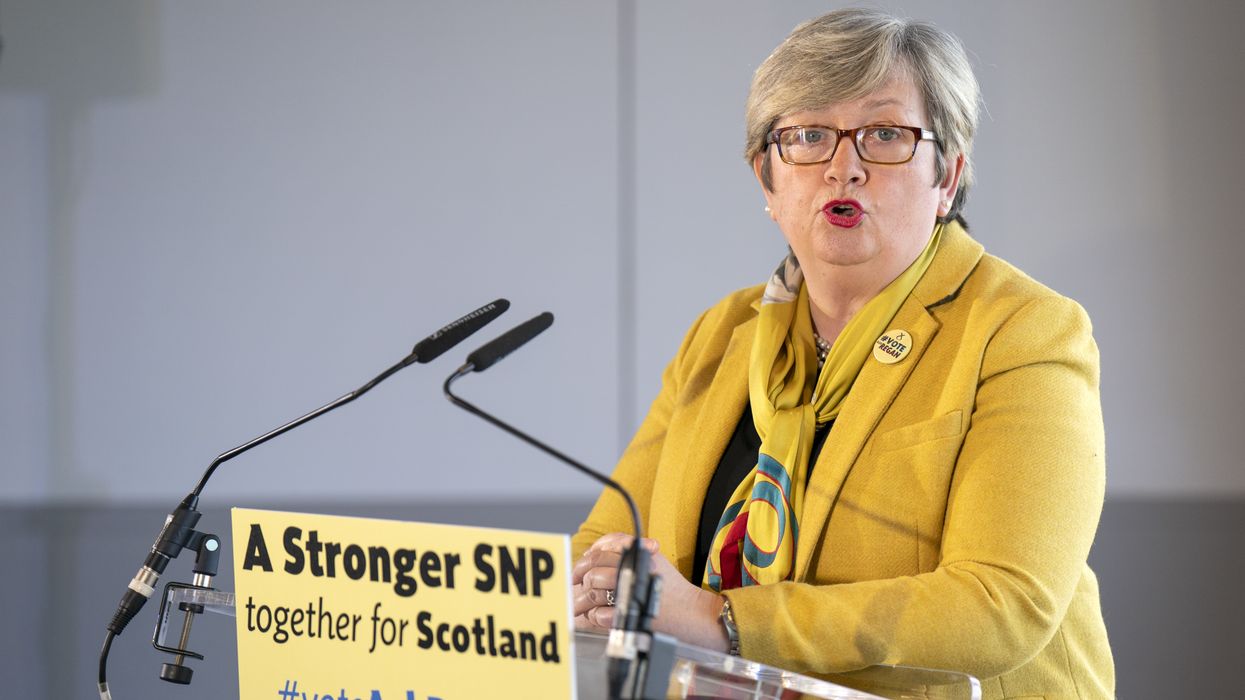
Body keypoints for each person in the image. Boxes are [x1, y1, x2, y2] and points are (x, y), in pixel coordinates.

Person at [570, 8, 1114, 699]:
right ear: (767, 177)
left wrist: (725, 620)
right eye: (807, 137)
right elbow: (606, 547)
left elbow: (1000, 605)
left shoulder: (1021, 330)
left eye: (884, 135)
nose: (842, 168)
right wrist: (599, 590)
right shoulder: (720, 333)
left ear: (946, 175)